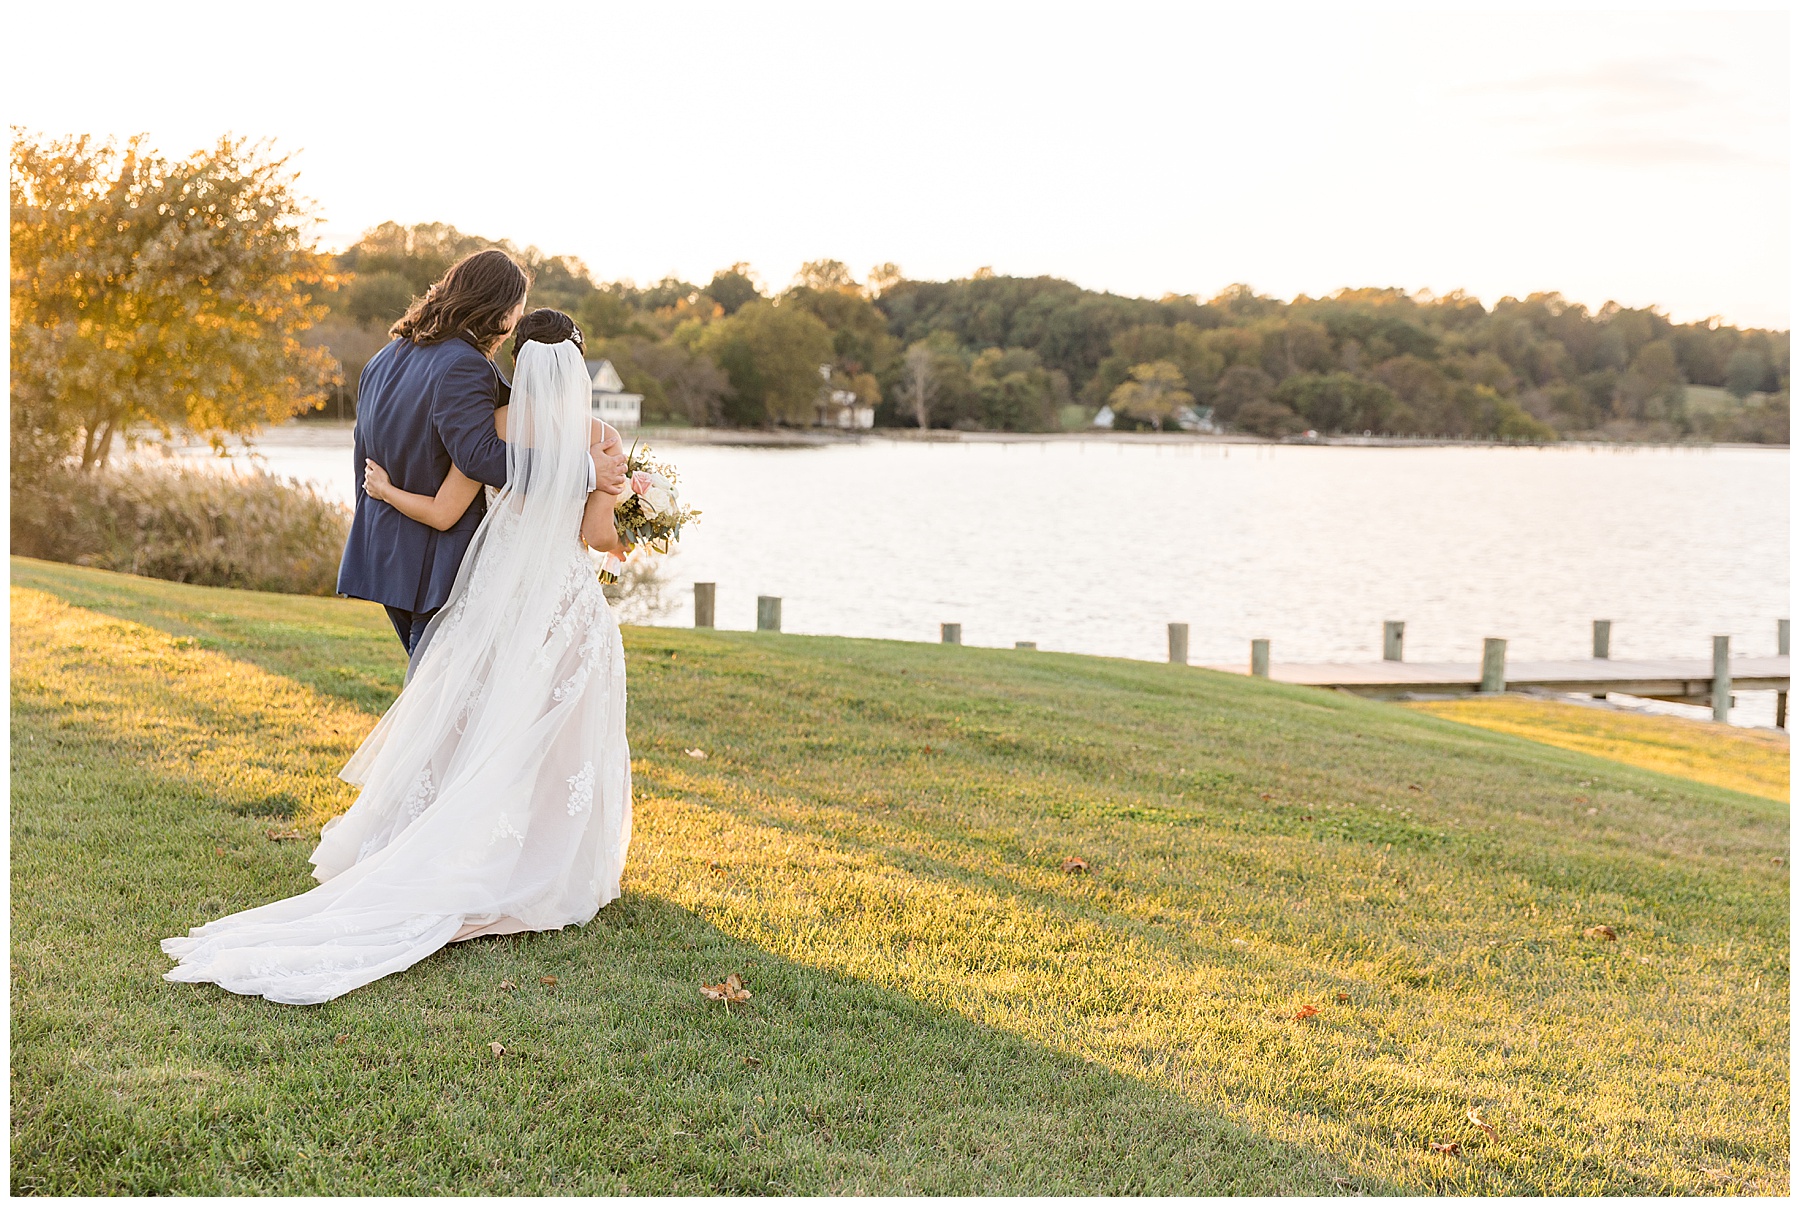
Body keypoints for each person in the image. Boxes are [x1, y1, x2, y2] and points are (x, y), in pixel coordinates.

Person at [162, 313, 633, 1004]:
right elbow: (598, 539)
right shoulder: (599, 441)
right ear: (579, 366)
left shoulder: (496, 427)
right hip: (563, 603)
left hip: (498, 596)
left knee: (482, 723)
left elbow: (446, 513)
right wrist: (628, 509)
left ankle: (460, 840)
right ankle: (541, 856)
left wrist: (382, 493)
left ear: (521, 361)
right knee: (557, 735)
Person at [334, 249, 628, 653]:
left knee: (437, 702)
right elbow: (479, 455)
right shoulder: (464, 364)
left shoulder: (386, 357)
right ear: (499, 309)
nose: (510, 329)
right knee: (442, 710)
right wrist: (584, 472)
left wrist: (384, 498)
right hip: (434, 567)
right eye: (516, 311)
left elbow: (365, 450)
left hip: (387, 559)